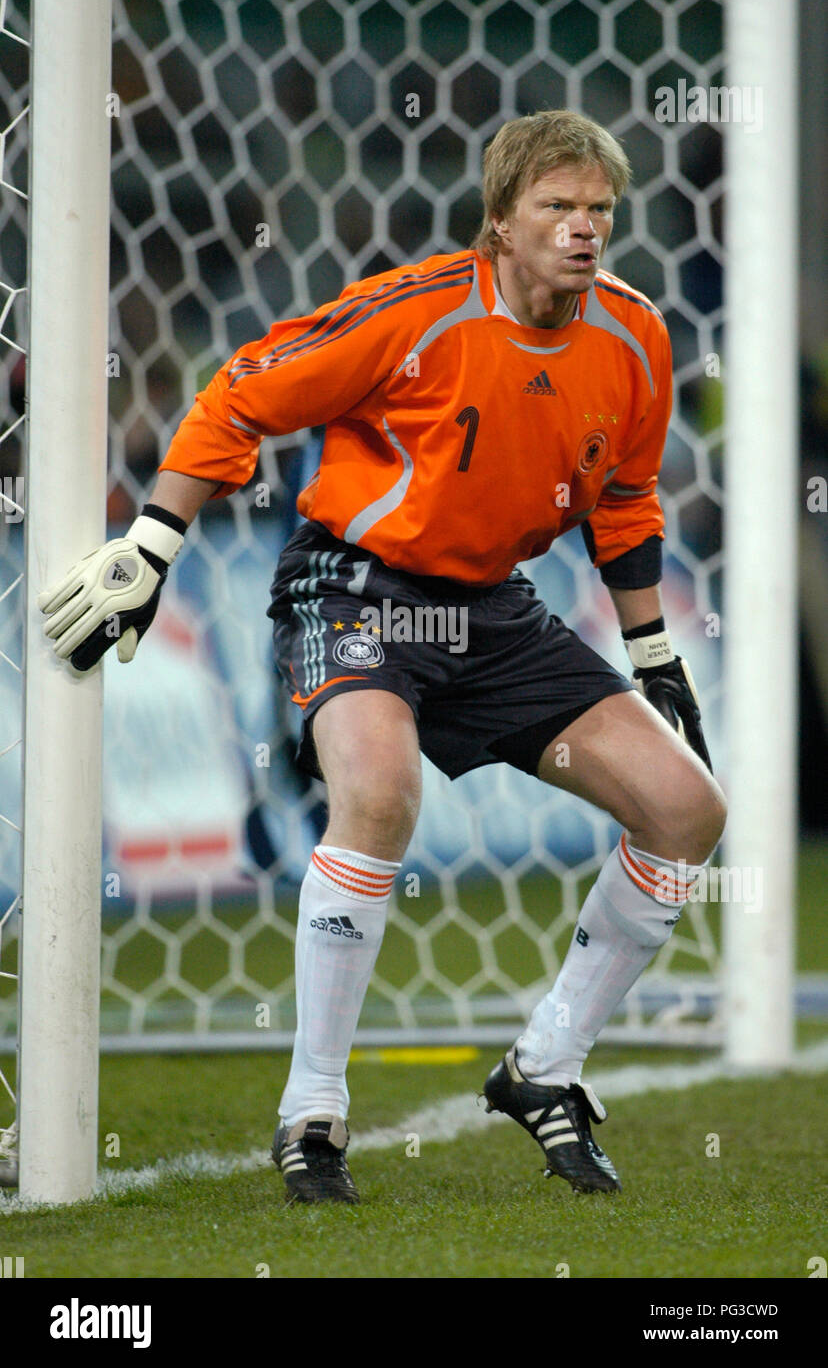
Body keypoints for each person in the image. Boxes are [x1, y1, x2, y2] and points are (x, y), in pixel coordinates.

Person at [39, 110, 726, 1204]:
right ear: (500, 221)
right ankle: (312, 1108)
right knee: (378, 792)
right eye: (558, 207)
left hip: (494, 610)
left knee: (687, 809)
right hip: (357, 584)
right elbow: (241, 392)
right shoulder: (415, 312)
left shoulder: (637, 337)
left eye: (600, 208)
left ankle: (546, 1065)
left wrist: (651, 650)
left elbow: (630, 500)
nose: (584, 229)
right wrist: (154, 544)